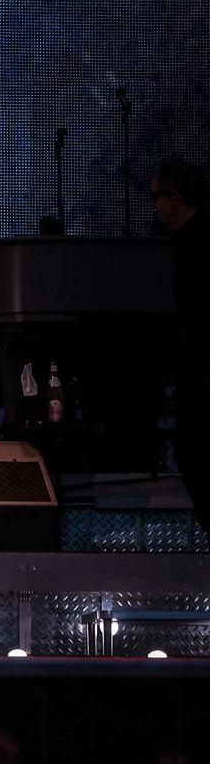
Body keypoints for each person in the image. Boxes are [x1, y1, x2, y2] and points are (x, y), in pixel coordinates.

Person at [151, 155, 209, 519]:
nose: (154, 206)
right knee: (193, 455)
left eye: (155, 197)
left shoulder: (199, 240)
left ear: (175, 197)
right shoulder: (184, 242)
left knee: (197, 453)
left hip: (203, 362)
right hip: (195, 360)